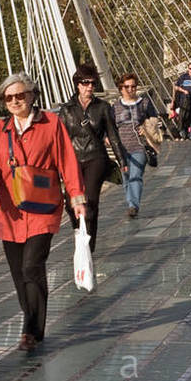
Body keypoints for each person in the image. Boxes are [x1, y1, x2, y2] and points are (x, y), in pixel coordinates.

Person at [0, 73, 85, 350]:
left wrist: (76, 197)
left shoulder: (51, 124)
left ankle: (31, 330)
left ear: (32, 95)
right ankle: (31, 319)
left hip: (44, 207)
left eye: (20, 95)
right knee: (18, 272)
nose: (15, 101)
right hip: (9, 211)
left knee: (31, 266)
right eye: (9, 98)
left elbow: (67, 161)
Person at [58, 63, 127, 253]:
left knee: (90, 201)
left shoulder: (103, 107)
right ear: (77, 85)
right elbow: (60, 140)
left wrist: (122, 160)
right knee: (70, 203)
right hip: (72, 159)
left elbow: (113, 135)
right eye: (85, 83)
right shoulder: (67, 110)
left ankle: (88, 244)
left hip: (96, 157)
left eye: (92, 83)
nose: (89, 87)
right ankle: (78, 230)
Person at [113, 72, 159, 217]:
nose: (130, 89)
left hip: (140, 146)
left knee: (136, 175)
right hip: (121, 148)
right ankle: (130, 202)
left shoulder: (144, 103)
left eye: (133, 86)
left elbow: (154, 120)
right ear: (121, 88)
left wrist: (145, 127)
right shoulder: (114, 107)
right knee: (126, 177)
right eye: (127, 87)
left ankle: (133, 205)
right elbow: (110, 126)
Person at [174, 61, 191, 139]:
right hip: (185, 103)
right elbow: (176, 87)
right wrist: (184, 91)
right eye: (190, 68)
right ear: (188, 69)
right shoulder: (183, 77)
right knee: (184, 118)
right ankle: (184, 134)